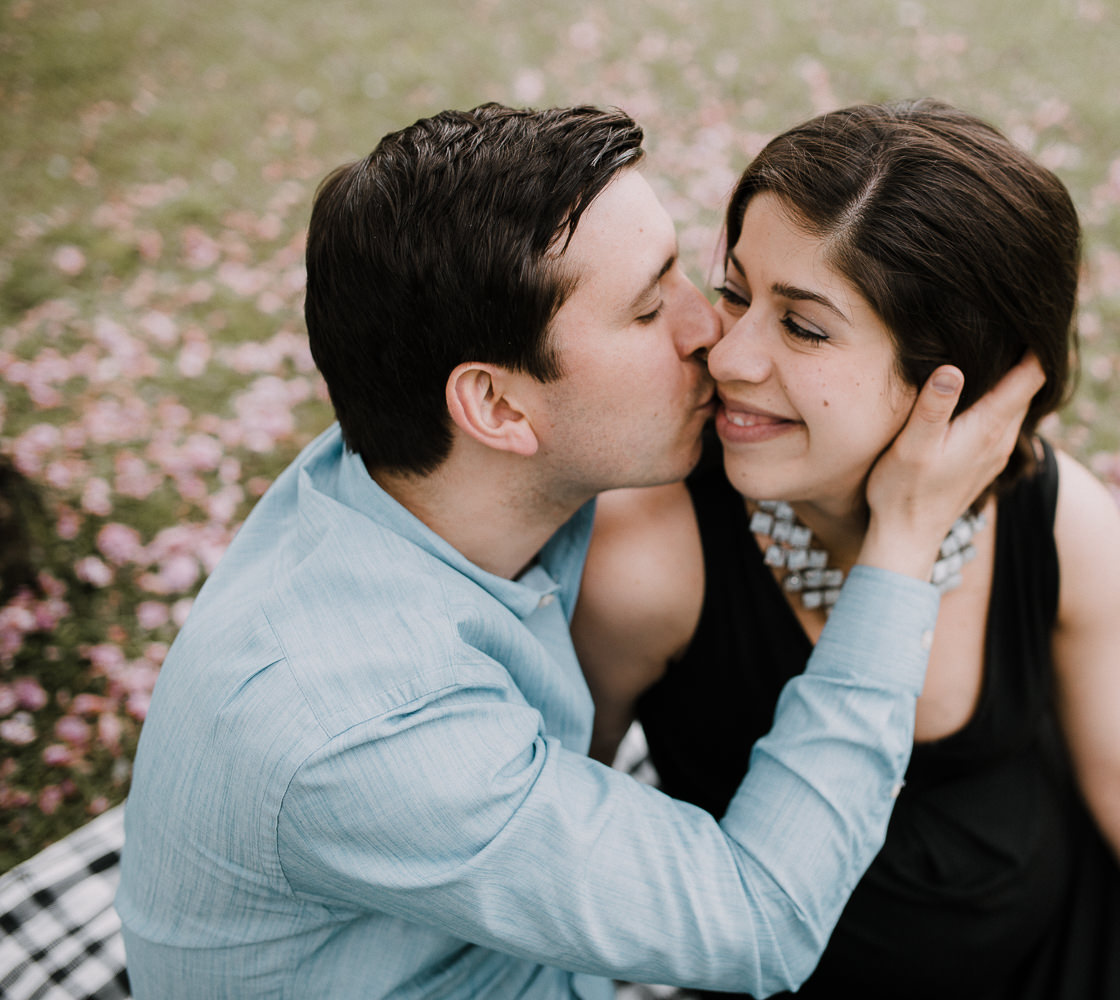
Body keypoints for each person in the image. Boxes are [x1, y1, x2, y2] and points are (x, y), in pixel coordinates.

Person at [114, 103, 1045, 999]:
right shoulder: (363, 728)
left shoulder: (430, 483)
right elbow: (760, 918)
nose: (711, 337)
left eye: (695, 277)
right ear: (498, 407)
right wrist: (905, 543)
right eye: (648, 312)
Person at [574, 100, 1120, 1000]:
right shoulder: (650, 563)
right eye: (736, 291)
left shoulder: (1061, 523)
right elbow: (577, 831)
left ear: (958, 379)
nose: (728, 354)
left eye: (803, 326)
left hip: (1083, 913)